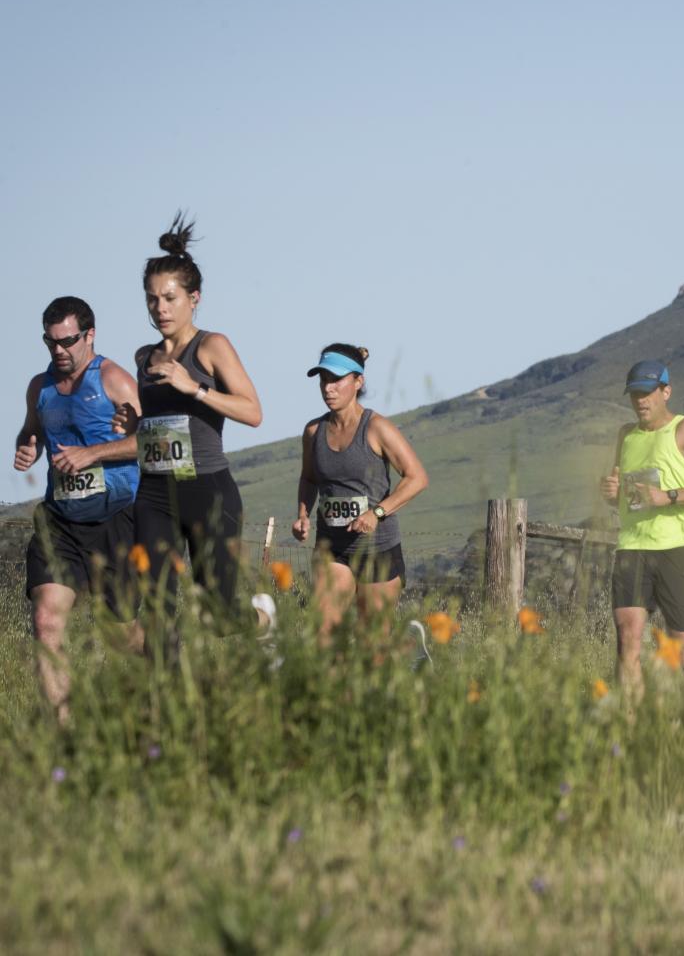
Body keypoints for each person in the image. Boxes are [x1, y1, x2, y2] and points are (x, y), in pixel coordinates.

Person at [114, 213, 271, 644]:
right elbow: (161, 426)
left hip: (207, 489)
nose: (160, 308)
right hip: (154, 492)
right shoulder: (144, 357)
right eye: (152, 299)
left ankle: (262, 622)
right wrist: (136, 425)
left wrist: (195, 388)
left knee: (218, 613)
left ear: (193, 298)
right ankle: (162, 686)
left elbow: (253, 412)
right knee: (156, 606)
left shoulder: (211, 346)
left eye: (170, 298)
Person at [14, 297, 141, 722]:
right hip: (60, 522)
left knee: (121, 636)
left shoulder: (114, 380)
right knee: (46, 624)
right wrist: (27, 446)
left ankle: (170, 655)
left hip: (114, 519)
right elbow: (31, 430)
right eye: (51, 342)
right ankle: (63, 738)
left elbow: (153, 441)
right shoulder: (40, 387)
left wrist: (92, 454)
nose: (59, 350)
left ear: (90, 335)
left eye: (67, 341)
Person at [599, 360, 684, 697]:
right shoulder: (626, 435)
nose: (640, 400)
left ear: (666, 392)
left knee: (681, 650)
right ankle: (628, 725)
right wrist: (611, 493)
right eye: (634, 394)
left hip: (678, 549)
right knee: (627, 641)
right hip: (631, 547)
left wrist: (668, 496)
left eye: (647, 393)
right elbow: (622, 495)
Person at [293, 344, 429, 643]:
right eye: (323, 380)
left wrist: (376, 513)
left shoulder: (377, 428)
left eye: (336, 380)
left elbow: (417, 477)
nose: (328, 388)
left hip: (377, 549)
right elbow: (309, 477)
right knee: (322, 634)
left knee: (373, 645)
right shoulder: (313, 431)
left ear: (358, 381)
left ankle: (409, 653)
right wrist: (303, 514)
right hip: (332, 547)